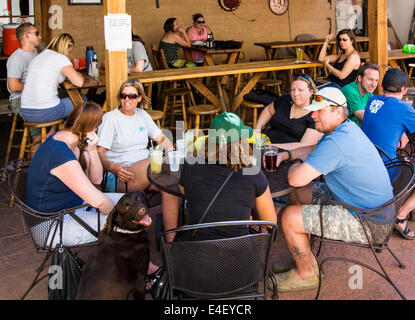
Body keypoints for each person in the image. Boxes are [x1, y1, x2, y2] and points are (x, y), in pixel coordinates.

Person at [268, 87, 393, 292]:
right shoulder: (345, 128)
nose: (313, 115)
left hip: (370, 222)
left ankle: (305, 275)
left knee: (290, 216)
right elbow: (314, 150)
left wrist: (293, 165)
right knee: (299, 193)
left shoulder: (338, 141)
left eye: (320, 110)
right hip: (366, 206)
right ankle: (307, 261)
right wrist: (287, 155)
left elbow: (296, 178)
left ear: (337, 111)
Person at [25, 102, 121, 247]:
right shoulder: (60, 154)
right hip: (50, 225)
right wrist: (122, 216)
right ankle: (147, 268)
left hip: (72, 207)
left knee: (131, 201)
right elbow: (99, 201)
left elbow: (96, 179)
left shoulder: (69, 139)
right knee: (127, 223)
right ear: (92, 128)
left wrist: (92, 150)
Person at [97, 79, 179, 241]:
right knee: (154, 161)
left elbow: (161, 138)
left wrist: (171, 151)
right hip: (122, 174)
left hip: (146, 173)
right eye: (123, 96)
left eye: (132, 96)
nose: (127, 100)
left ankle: (171, 243)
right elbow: (99, 153)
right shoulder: (111, 118)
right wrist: (113, 167)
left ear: (140, 97)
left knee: (171, 188)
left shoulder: (142, 115)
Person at [176, 112, 277, 242]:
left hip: (197, 254)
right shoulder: (253, 174)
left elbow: (184, 191)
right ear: (241, 142)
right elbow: (270, 222)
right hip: (238, 256)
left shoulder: (190, 165)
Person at [360, 68, 415, 240]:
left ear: (381, 88)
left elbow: (385, 124)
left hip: (364, 165)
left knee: (403, 156)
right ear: (404, 90)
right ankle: (400, 216)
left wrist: (401, 131)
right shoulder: (403, 108)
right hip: (385, 173)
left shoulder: (373, 100)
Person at [20, 33, 84, 123]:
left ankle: (52, 132)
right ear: (66, 47)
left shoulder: (39, 57)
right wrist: (79, 75)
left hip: (26, 111)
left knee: (63, 96)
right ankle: (65, 132)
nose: (68, 55)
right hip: (45, 111)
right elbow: (79, 82)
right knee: (81, 99)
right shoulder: (60, 58)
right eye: (69, 52)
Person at [254, 74, 324, 150]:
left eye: (300, 90)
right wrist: (257, 130)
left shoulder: (316, 114)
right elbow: (268, 110)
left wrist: (270, 146)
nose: (295, 94)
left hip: (287, 154)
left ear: (311, 92)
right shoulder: (285, 100)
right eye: (293, 90)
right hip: (267, 142)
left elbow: (305, 145)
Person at [7, 23, 42, 140]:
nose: (40, 37)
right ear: (27, 36)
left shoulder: (34, 53)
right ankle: (39, 143)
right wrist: (36, 86)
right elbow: (13, 86)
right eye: (36, 34)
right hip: (20, 100)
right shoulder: (17, 58)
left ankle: (48, 137)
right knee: (41, 122)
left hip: (35, 97)